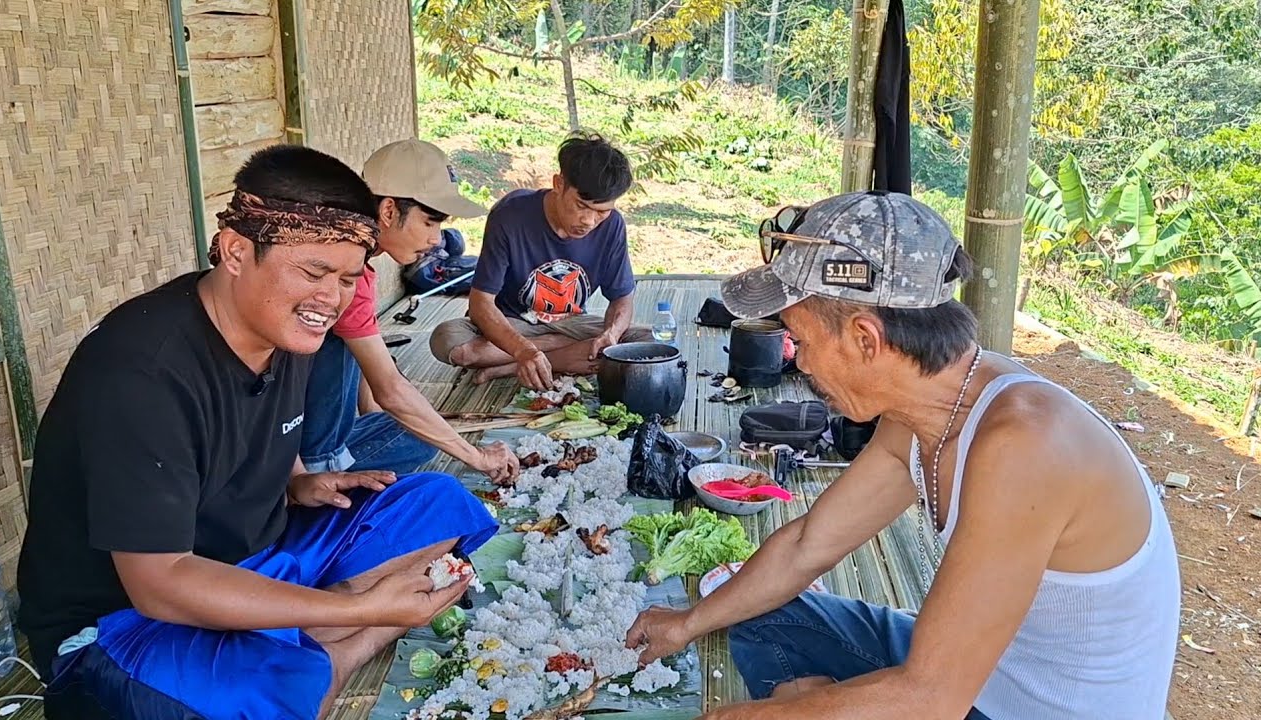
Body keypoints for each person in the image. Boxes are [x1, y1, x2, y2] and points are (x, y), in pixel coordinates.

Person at [625, 190, 1180, 720]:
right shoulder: (925, 409)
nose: (799, 361)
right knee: (750, 605)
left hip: (1006, 706)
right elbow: (806, 543)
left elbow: (928, 702)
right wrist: (686, 624)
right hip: (970, 670)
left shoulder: (1023, 447)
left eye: (802, 340)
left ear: (867, 338)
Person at [16, 145, 499, 720]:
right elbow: (160, 582)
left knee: (441, 504)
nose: (330, 299)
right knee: (238, 698)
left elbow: (264, 429)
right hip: (126, 621)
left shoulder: (286, 326)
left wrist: (298, 482)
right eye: (313, 272)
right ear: (236, 251)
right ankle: (338, 651)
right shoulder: (140, 373)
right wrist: (355, 610)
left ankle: (295, 639)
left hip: (259, 554)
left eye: (347, 278)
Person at [300, 139, 518, 484]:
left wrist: (379, 419)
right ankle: (321, 472)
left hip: (294, 434)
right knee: (422, 428)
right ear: (388, 211)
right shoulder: (341, 274)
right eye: (430, 222)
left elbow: (374, 382)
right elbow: (388, 388)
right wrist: (477, 457)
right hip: (289, 454)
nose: (436, 239)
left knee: (422, 428)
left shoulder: (348, 253)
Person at [429, 134, 653, 389]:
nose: (589, 221)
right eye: (581, 206)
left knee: (643, 340)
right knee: (451, 343)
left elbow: (622, 299)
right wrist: (522, 349)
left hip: (570, 324)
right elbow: (481, 305)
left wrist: (610, 335)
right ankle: (558, 356)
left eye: (601, 211)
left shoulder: (612, 225)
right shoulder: (510, 215)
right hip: (512, 323)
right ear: (559, 184)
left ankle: (509, 367)